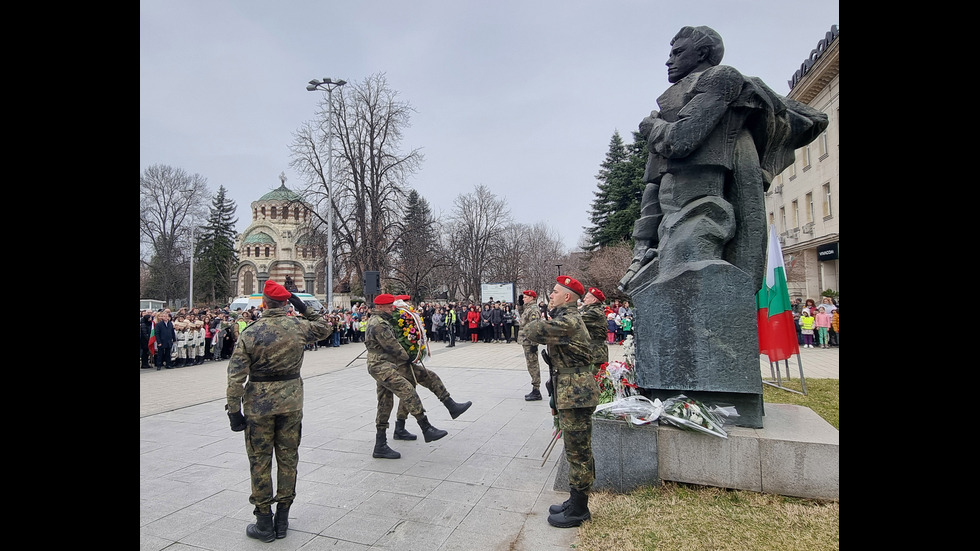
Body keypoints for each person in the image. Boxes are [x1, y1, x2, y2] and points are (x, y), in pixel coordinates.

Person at [621, 25, 828, 293]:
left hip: (703, 204)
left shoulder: (721, 78)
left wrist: (652, 128)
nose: (668, 60)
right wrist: (642, 245)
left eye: (678, 52)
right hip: (670, 216)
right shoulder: (669, 103)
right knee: (663, 292)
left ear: (702, 53)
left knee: (694, 285)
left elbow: (680, 141)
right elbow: (654, 180)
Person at [225, 280, 333, 541]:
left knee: (260, 460)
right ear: (287, 303)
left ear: (264, 303)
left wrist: (233, 411)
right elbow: (326, 328)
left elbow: (235, 376)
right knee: (288, 458)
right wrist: (304, 306)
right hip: (291, 401)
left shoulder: (251, 332)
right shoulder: (299, 327)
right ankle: (283, 518)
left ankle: (264, 522)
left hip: (258, 405)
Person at [523, 276, 599, 528]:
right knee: (574, 448)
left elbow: (533, 331)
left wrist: (532, 309)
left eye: (555, 292)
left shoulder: (569, 321)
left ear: (567, 297)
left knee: (578, 451)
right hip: (571, 391)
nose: (551, 296)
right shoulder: (565, 318)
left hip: (576, 394)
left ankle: (579, 509)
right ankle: (575, 500)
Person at [365, 294, 469, 460]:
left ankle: (381, 444)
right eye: (390, 306)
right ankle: (425, 427)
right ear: (381, 307)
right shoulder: (379, 324)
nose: (393, 308)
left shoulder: (384, 320)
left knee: (386, 402)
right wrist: (409, 356)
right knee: (407, 390)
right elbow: (393, 346)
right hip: (381, 366)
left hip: (388, 364)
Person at [517, 290, 543, 400]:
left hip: (530, 341)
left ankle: (536, 390)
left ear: (532, 298)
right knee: (530, 365)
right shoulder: (528, 308)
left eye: (525, 297)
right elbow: (523, 317)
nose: (523, 299)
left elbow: (535, 326)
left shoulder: (533, 309)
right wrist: (520, 305)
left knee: (533, 365)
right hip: (526, 340)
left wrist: (534, 343)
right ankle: (535, 389)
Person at [581, 287, 609, 373]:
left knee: (595, 380)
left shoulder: (595, 312)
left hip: (595, 353)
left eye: (587, 297)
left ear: (593, 300)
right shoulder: (592, 310)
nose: (584, 299)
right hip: (593, 351)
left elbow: (576, 321)